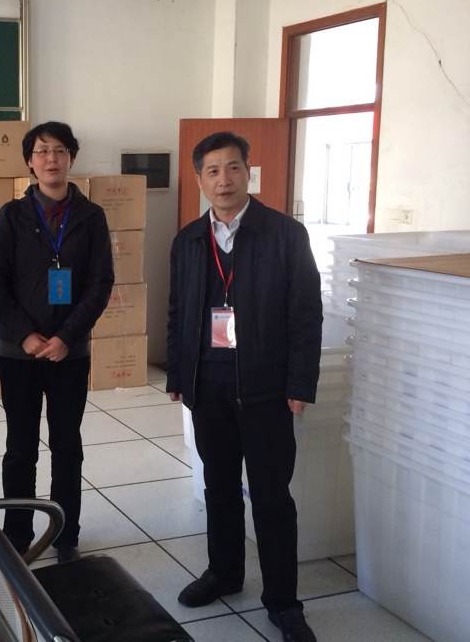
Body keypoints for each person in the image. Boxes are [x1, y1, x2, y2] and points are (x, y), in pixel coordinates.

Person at [166, 131, 322, 642]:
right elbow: (178, 311)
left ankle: (283, 602)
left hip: (266, 388)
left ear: (248, 172)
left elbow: (306, 313)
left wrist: (300, 382)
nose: (224, 180)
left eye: (233, 168)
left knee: (272, 496)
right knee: (218, 487)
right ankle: (224, 572)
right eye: (212, 171)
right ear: (199, 180)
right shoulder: (189, 240)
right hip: (208, 386)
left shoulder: (285, 235)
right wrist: (178, 374)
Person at [0, 121, 114, 563]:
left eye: (59, 150)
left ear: (71, 158)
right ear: (29, 161)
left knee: (66, 446)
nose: (51, 158)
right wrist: (25, 334)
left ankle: (65, 532)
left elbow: (100, 284)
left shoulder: (91, 217)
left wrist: (65, 337)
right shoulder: (12, 215)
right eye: (42, 151)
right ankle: (17, 534)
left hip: (69, 353)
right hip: (18, 353)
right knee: (20, 447)